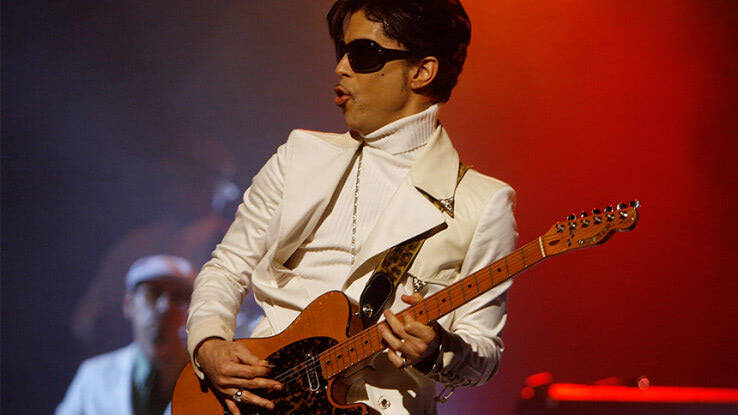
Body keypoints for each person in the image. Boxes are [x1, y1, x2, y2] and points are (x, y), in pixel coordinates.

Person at [186, 1, 518, 414]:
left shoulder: (482, 202)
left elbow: (484, 353)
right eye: (341, 52)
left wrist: (438, 350)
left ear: (422, 71)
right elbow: (227, 267)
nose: (341, 67)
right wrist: (208, 342)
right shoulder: (298, 156)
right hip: (264, 399)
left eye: (363, 54)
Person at [56, 255, 195, 415]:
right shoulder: (93, 376)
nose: (164, 307)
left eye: (178, 297)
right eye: (153, 293)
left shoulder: (210, 379)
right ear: (129, 303)